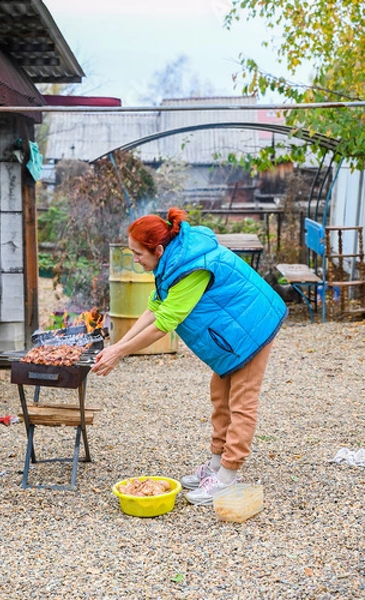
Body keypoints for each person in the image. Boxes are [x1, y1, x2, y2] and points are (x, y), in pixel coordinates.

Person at [92, 207, 288, 505]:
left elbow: (164, 324)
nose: (134, 259)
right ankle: (215, 465)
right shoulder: (172, 261)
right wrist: (117, 345)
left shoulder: (191, 267)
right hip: (232, 331)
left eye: (137, 254)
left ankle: (227, 477)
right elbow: (154, 308)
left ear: (158, 249)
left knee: (241, 401)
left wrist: (120, 353)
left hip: (253, 327)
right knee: (219, 394)